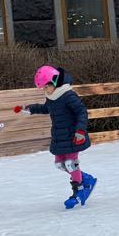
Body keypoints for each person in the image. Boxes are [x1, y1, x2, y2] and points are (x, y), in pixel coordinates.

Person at [14, 65, 97, 209]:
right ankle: (85, 179)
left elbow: (81, 112)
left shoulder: (68, 95)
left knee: (71, 163)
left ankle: (79, 191)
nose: (45, 90)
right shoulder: (52, 97)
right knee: (60, 164)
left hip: (74, 136)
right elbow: (46, 108)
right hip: (59, 136)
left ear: (54, 82)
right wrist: (28, 108)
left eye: (46, 87)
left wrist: (80, 130)